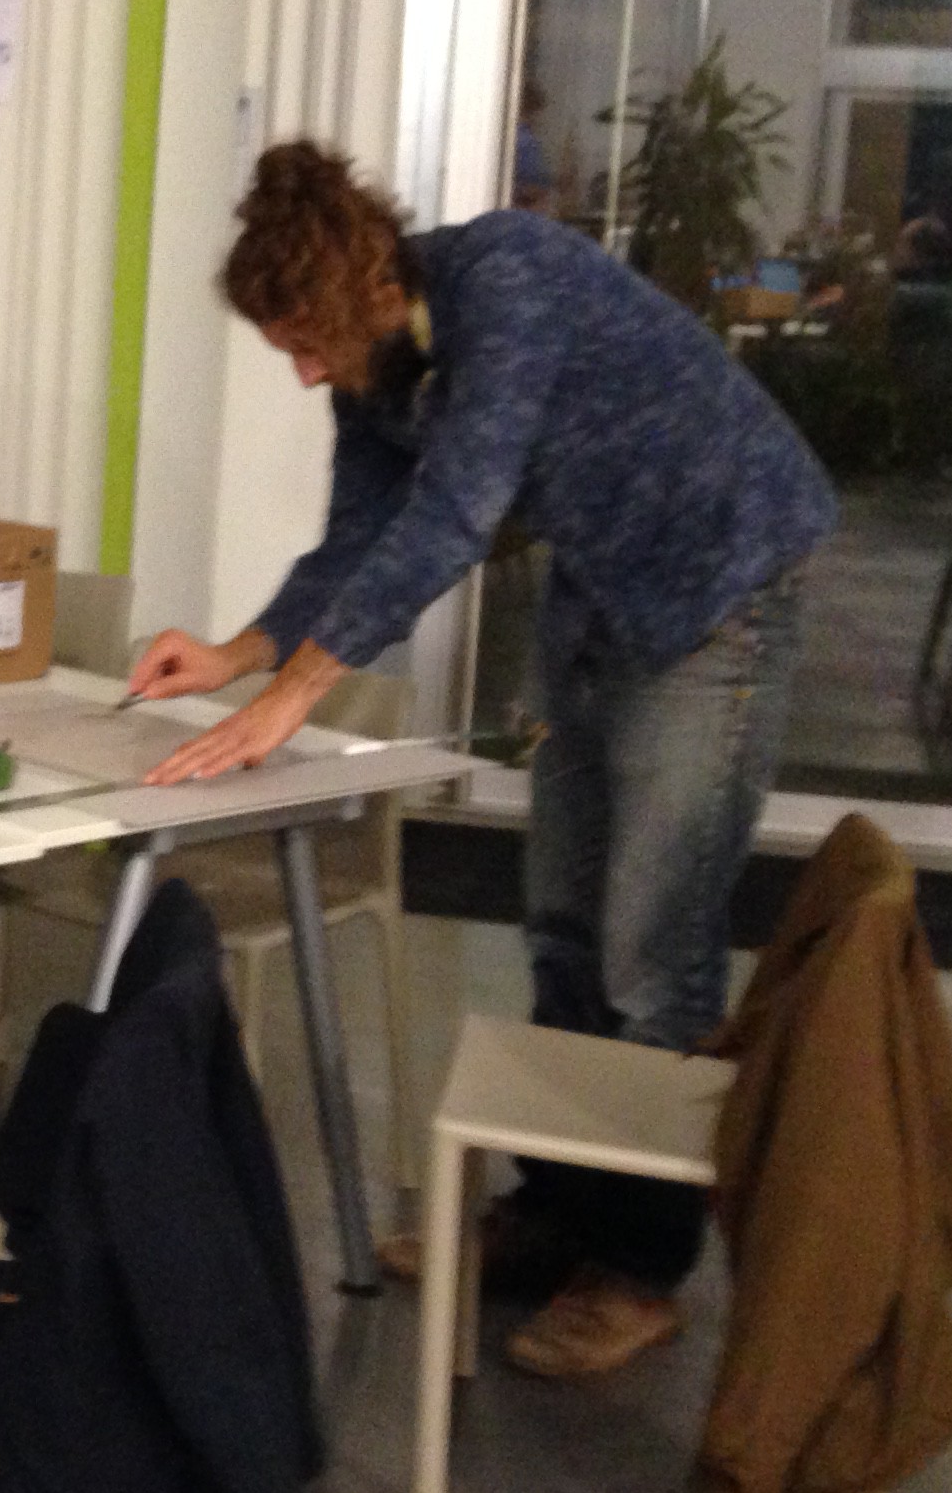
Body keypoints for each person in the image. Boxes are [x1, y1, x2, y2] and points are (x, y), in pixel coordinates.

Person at [124, 140, 836, 1378]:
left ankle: (639, 1268)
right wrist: (239, 653)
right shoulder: (375, 369)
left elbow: (458, 513)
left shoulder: (511, 277)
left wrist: (297, 694)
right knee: (561, 928)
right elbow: (359, 536)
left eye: (308, 345)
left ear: (362, 287)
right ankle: (557, 1213)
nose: (304, 374)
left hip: (726, 583)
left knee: (650, 949)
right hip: (600, 593)